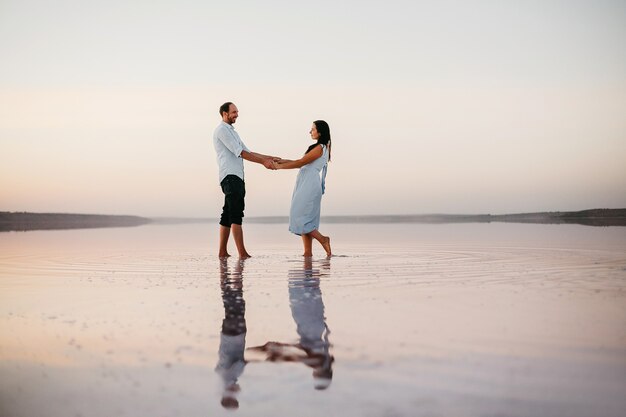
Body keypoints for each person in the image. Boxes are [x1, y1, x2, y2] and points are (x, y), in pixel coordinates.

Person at [213, 102, 278, 258]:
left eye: (237, 112)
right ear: (224, 113)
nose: (237, 115)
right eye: (234, 112)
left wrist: (268, 157)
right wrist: (263, 162)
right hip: (230, 176)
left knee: (227, 214)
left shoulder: (233, 132)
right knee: (236, 213)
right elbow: (241, 152)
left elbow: (248, 151)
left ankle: (222, 252)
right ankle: (242, 253)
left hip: (236, 176)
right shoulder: (222, 130)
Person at [275, 120, 332, 257]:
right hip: (305, 183)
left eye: (313, 129)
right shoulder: (319, 147)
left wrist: (279, 167)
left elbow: (300, 163)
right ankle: (307, 253)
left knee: (300, 218)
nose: (310, 131)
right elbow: (302, 162)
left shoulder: (320, 147)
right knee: (305, 218)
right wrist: (282, 160)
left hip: (309, 184)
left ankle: (323, 239)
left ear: (320, 131)